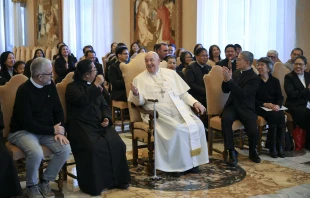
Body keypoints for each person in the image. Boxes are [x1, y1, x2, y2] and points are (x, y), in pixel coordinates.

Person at [128, 51, 209, 174]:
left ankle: (193, 163)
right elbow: (139, 103)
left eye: (151, 60)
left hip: (178, 109)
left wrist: (195, 103)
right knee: (178, 129)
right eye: (147, 61)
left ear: (159, 61)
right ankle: (177, 165)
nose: (149, 63)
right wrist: (136, 94)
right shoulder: (139, 79)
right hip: (157, 113)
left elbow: (183, 94)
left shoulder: (171, 74)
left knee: (198, 125)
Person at [65, 59, 131, 196]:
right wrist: (95, 85)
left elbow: (104, 105)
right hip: (81, 125)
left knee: (118, 144)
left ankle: (118, 180)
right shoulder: (72, 87)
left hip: (99, 124)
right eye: (94, 69)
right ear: (87, 74)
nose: (97, 71)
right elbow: (82, 100)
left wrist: (107, 118)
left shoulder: (96, 87)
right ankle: (96, 184)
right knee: (93, 148)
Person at [8, 57, 71, 198]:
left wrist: (60, 131)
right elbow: (27, 123)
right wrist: (52, 130)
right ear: (40, 76)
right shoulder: (24, 90)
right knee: (36, 153)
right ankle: (31, 185)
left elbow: (58, 110)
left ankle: (45, 180)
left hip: (44, 130)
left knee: (65, 149)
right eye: (50, 73)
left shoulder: (50, 84)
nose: (53, 75)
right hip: (22, 131)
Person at [221, 51, 261, 166]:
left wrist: (230, 80)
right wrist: (225, 80)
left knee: (252, 130)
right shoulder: (236, 73)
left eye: (239, 59)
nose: (236, 61)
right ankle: (230, 150)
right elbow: (225, 90)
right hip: (233, 105)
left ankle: (252, 151)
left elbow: (243, 94)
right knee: (226, 119)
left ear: (247, 62)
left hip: (245, 107)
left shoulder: (254, 78)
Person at [255, 57, 286, 158]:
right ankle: (272, 147)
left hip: (273, 107)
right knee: (273, 116)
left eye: (262, 65)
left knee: (281, 115)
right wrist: (264, 104)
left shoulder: (274, 81)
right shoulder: (255, 81)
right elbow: (251, 99)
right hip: (259, 106)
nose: (259, 67)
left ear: (269, 68)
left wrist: (278, 105)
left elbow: (279, 97)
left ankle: (279, 146)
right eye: (258, 65)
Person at [284, 55, 310, 149]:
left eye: (300, 64)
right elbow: (292, 94)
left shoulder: (308, 75)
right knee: (307, 114)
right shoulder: (289, 77)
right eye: (296, 64)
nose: (298, 66)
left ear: (305, 66)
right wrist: (307, 90)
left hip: (307, 103)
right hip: (294, 105)